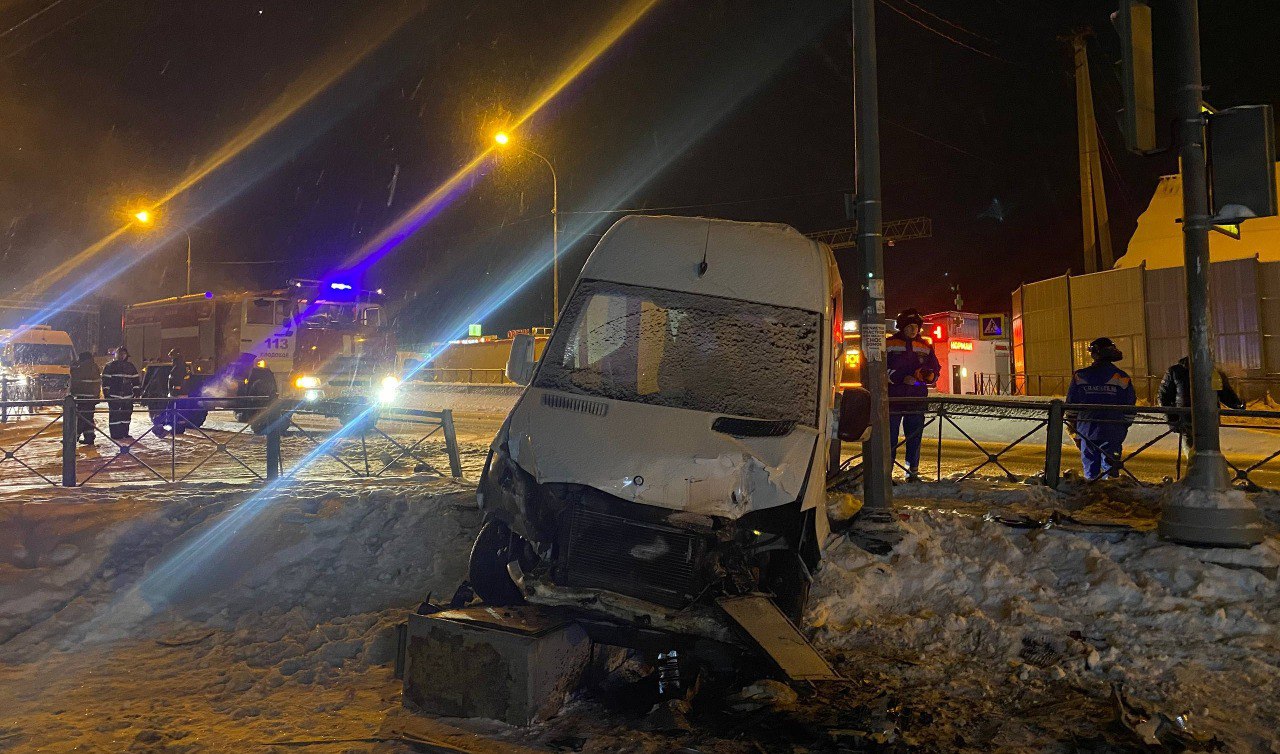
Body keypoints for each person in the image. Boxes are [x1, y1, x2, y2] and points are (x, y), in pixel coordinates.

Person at [1066, 337, 1137, 481]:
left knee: (1090, 471)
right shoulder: (1121, 377)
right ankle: (1110, 498)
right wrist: (1123, 426)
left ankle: (1092, 496)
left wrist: (1074, 428)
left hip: (1087, 428)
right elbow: (1129, 406)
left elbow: (1071, 405)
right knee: (1111, 470)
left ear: (1095, 353)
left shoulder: (1081, 375)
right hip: (1113, 428)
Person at [886, 309, 940, 481]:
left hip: (916, 398)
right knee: (890, 438)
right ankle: (886, 473)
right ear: (902, 327)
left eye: (915, 326)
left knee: (914, 436)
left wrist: (930, 375)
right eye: (909, 326)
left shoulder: (925, 345)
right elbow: (879, 370)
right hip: (894, 398)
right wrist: (900, 378)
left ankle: (912, 472)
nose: (913, 330)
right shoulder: (888, 343)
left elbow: (935, 368)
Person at [1158, 356, 1244, 445]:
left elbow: (1224, 392)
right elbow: (1164, 397)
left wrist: (1237, 404)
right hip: (1187, 422)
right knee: (1194, 452)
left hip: (1208, 421)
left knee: (1209, 452)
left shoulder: (1213, 371)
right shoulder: (1176, 371)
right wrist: (1172, 420)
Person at [100, 346, 140, 441]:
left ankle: (124, 433)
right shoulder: (110, 366)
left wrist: (137, 392)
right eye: (120, 354)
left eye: (123, 354)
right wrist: (106, 393)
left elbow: (136, 381)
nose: (122, 356)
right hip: (115, 396)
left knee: (126, 415)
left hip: (127, 396)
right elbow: (106, 381)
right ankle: (115, 434)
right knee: (115, 416)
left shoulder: (130, 366)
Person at [69, 351, 100, 445]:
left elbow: (75, 375)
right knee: (88, 418)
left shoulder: (82, 367)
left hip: (83, 396)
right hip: (92, 397)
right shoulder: (94, 366)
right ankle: (89, 437)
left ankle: (73, 437)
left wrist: (74, 365)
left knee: (81, 418)